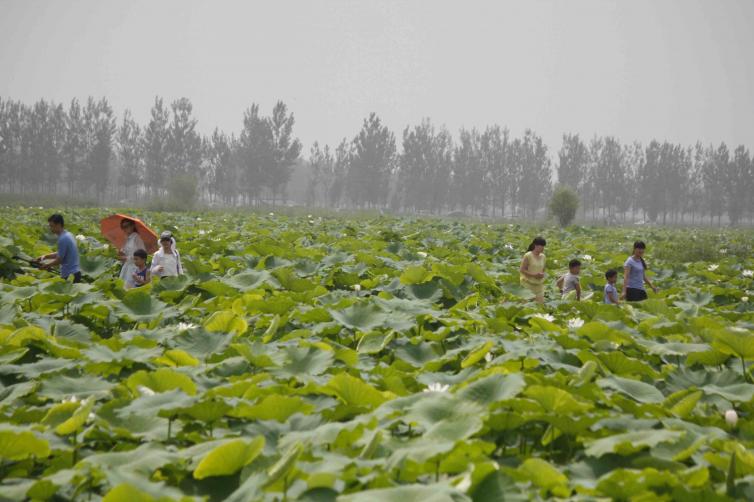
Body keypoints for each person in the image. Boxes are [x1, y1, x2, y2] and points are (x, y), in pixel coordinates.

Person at [38, 214, 81, 283]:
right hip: (76, 273)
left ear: (58, 225)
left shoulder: (63, 239)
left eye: (52, 226)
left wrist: (46, 265)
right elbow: (61, 253)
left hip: (69, 275)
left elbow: (59, 260)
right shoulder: (69, 234)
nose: (50, 228)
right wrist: (45, 257)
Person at [118, 218, 146, 286]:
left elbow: (143, 254)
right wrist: (121, 254)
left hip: (134, 267)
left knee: (130, 287)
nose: (125, 228)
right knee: (122, 287)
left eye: (127, 226)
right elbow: (126, 253)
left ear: (133, 226)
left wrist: (127, 258)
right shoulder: (127, 238)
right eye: (123, 227)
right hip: (126, 267)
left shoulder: (137, 238)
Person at [520, 237, 547, 303]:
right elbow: (522, 270)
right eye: (541, 246)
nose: (543, 248)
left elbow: (543, 269)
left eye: (544, 246)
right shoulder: (528, 255)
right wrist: (534, 275)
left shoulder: (543, 256)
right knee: (527, 306)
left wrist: (542, 274)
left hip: (539, 285)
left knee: (540, 306)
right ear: (536, 245)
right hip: (528, 284)